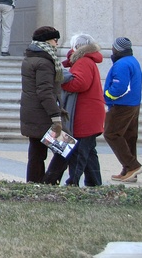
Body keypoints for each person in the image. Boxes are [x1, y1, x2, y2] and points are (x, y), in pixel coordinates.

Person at [19, 25, 65, 184]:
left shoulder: (31, 57)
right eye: (54, 40)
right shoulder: (45, 62)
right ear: (46, 41)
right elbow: (45, 92)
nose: (57, 43)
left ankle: (34, 184)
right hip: (43, 114)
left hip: (33, 113)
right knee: (66, 149)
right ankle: (48, 182)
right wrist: (56, 116)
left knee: (37, 153)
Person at [58, 34, 104, 187]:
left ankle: (73, 182)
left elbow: (79, 84)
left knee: (78, 152)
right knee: (89, 152)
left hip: (84, 114)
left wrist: (62, 81)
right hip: (90, 113)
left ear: (76, 47)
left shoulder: (83, 61)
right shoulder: (87, 60)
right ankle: (94, 183)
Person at [103, 37, 142, 182]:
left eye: (113, 48)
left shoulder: (121, 64)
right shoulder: (132, 61)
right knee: (129, 137)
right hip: (133, 104)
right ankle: (128, 171)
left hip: (121, 105)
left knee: (111, 134)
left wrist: (107, 95)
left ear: (117, 49)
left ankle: (132, 166)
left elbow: (120, 87)